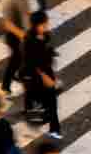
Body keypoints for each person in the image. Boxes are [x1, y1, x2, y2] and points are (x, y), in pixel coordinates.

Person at [23, 10, 62, 139]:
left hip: (46, 71)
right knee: (50, 100)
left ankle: (53, 127)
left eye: (46, 24)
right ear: (36, 25)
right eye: (43, 24)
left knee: (50, 101)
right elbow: (33, 63)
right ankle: (53, 128)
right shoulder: (30, 41)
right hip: (36, 75)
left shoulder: (45, 36)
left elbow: (46, 53)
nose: (46, 26)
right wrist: (46, 78)